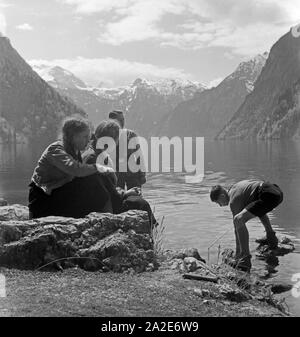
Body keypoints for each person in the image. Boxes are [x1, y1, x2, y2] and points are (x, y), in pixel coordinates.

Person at [28, 116, 116, 219]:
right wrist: (98, 167)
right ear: (73, 137)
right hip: (42, 201)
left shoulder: (75, 151)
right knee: (94, 181)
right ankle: (109, 217)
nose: (88, 140)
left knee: (97, 179)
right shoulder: (56, 149)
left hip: (57, 195)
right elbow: (75, 169)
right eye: (85, 136)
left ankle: (111, 212)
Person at [83, 120, 157, 227]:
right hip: (103, 206)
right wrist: (125, 194)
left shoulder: (95, 153)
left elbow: (105, 187)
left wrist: (124, 192)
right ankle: (151, 234)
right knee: (141, 204)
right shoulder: (95, 159)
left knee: (136, 199)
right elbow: (103, 192)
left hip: (101, 201)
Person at [210, 180, 283, 272]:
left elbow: (237, 227)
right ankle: (271, 238)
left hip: (267, 194)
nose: (220, 205)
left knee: (238, 219)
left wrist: (237, 256)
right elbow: (260, 211)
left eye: (218, 202)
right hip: (276, 191)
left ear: (222, 196)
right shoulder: (235, 188)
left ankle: (244, 259)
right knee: (259, 210)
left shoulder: (233, 200)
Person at [108, 110, 146, 190]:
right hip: (116, 174)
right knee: (116, 198)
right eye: (119, 120)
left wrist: (142, 174)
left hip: (132, 174)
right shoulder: (107, 136)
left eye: (123, 120)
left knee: (135, 198)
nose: (122, 122)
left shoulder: (131, 135)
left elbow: (139, 156)